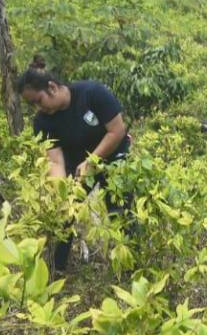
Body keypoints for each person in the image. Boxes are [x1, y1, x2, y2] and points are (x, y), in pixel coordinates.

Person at [17, 60, 132, 274]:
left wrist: (92, 160)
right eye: (33, 104)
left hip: (114, 156)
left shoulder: (93, 94)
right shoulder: (43, 122)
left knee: (120, 211)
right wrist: (62, 192)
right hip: (77, 165)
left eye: (39, 101)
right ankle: (55, 271)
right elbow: (55, 160)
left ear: (52, 87)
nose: (38, 108)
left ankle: (130, 268)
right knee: (64, 215)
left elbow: (117, 131)